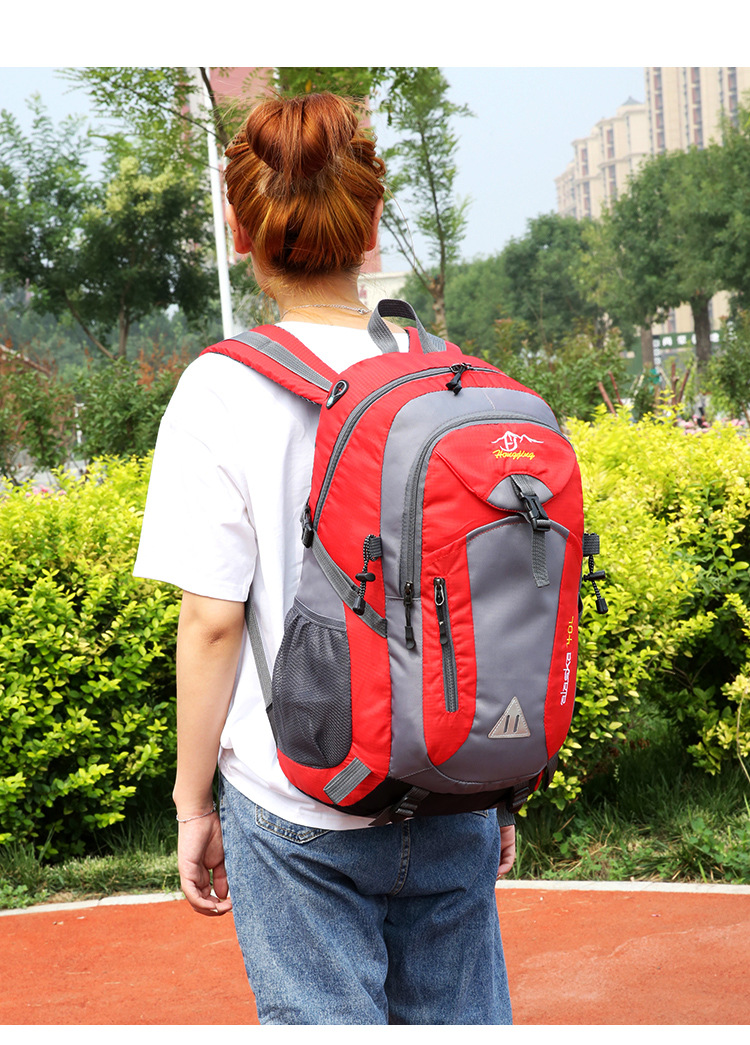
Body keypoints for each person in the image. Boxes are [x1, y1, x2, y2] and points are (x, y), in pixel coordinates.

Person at [134, 91, 516, 1026]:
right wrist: (494, 790)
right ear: (372, 225)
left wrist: (192, 804)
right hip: (449, 780)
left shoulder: (220, 389)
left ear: (241, 231)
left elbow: (212, 620)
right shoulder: (449, 373)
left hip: (298, 798)